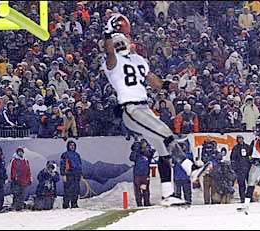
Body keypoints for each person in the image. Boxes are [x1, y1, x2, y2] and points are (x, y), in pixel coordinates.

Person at [102, 14, 211, 206]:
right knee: (166, 133)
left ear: (128, 42)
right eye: (115, 43)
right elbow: (109, 51)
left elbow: (158, 83)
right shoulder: (112, 63)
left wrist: (178, 87)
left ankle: (167, 195)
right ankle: (190, 168)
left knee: (163, 149)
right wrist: (109, 31)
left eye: (121, 43)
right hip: (130, 109)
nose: (118, 46)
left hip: (144, 107)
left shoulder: (138, 60)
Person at [129, 138, 154, 207]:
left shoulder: (147, 154)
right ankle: (139, 204)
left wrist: (146, 148)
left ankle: (146, 203)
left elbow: (151, 153)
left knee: (145, 189)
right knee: (137, 190)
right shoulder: (137, 153)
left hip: (145, 175)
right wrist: (136, 149)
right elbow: (131, 158)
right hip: (137, 175)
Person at [60, 140, 82, 209]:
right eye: (71, 145)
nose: (72, 147)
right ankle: (66, 205)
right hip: (68, 174)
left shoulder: (77, 155)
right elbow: (62, 165)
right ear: (68, 146)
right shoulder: (65, 155)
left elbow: (80, 165)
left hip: (76, 175)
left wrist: (81, 174)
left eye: (73, 145)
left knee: (76, 190)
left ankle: (74, 204)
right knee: (68, 190)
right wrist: (63, 174)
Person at [230, 135, 251, 203]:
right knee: (241, 185)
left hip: (248, 168)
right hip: (240, 170)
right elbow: (232, 158)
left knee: (250, 184)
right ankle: (242, 198)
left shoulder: (247, 147)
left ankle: (250, 197)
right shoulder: (235, 148)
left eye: (241, 139)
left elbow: (251, 156)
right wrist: (235, 168)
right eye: (238, 139)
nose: (240, 140)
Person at [10, 146, 32, 211]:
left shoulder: (26, 161)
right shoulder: (14, 160)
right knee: (16, 194)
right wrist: (14, 178)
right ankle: (15, 207)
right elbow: (13, 169)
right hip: (17, 181)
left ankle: (20, 207)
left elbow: (28, 170)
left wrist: (30, 179)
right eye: (19, 152)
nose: (20, 153)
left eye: (21, 152)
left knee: (23, 195)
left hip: (25, 181)